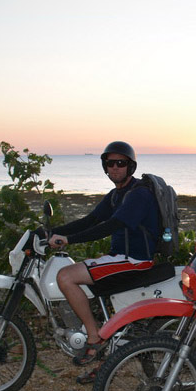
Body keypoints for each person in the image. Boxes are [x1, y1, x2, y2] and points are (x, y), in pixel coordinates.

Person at [47, 141, 159, 367]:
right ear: (105, 166)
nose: (115, 167)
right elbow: (91, 220)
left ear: (131, 166)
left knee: (65, 276)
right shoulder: (117, 194)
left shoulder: (138, 194)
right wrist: (50, 232)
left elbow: (111, 226)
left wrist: (68, 239)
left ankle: (94, 337)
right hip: (120, 258)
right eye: (110, 163)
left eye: (121, 163)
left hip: (134, 260)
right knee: (77, 273)